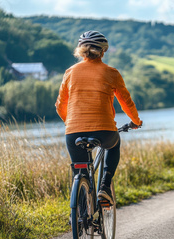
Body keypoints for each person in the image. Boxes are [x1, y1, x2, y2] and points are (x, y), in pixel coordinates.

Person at [55, 30, 142, 205]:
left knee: (80, 173)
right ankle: (104, 187)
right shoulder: (111, 73)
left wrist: (71, 123)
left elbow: (60, 105)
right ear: (103, 51)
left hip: (73, 133)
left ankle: (79, 217)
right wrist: (136, 121)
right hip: (105, 131)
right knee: (114, 143)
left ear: (81, 50)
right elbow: (126, 102)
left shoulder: (70, 72)